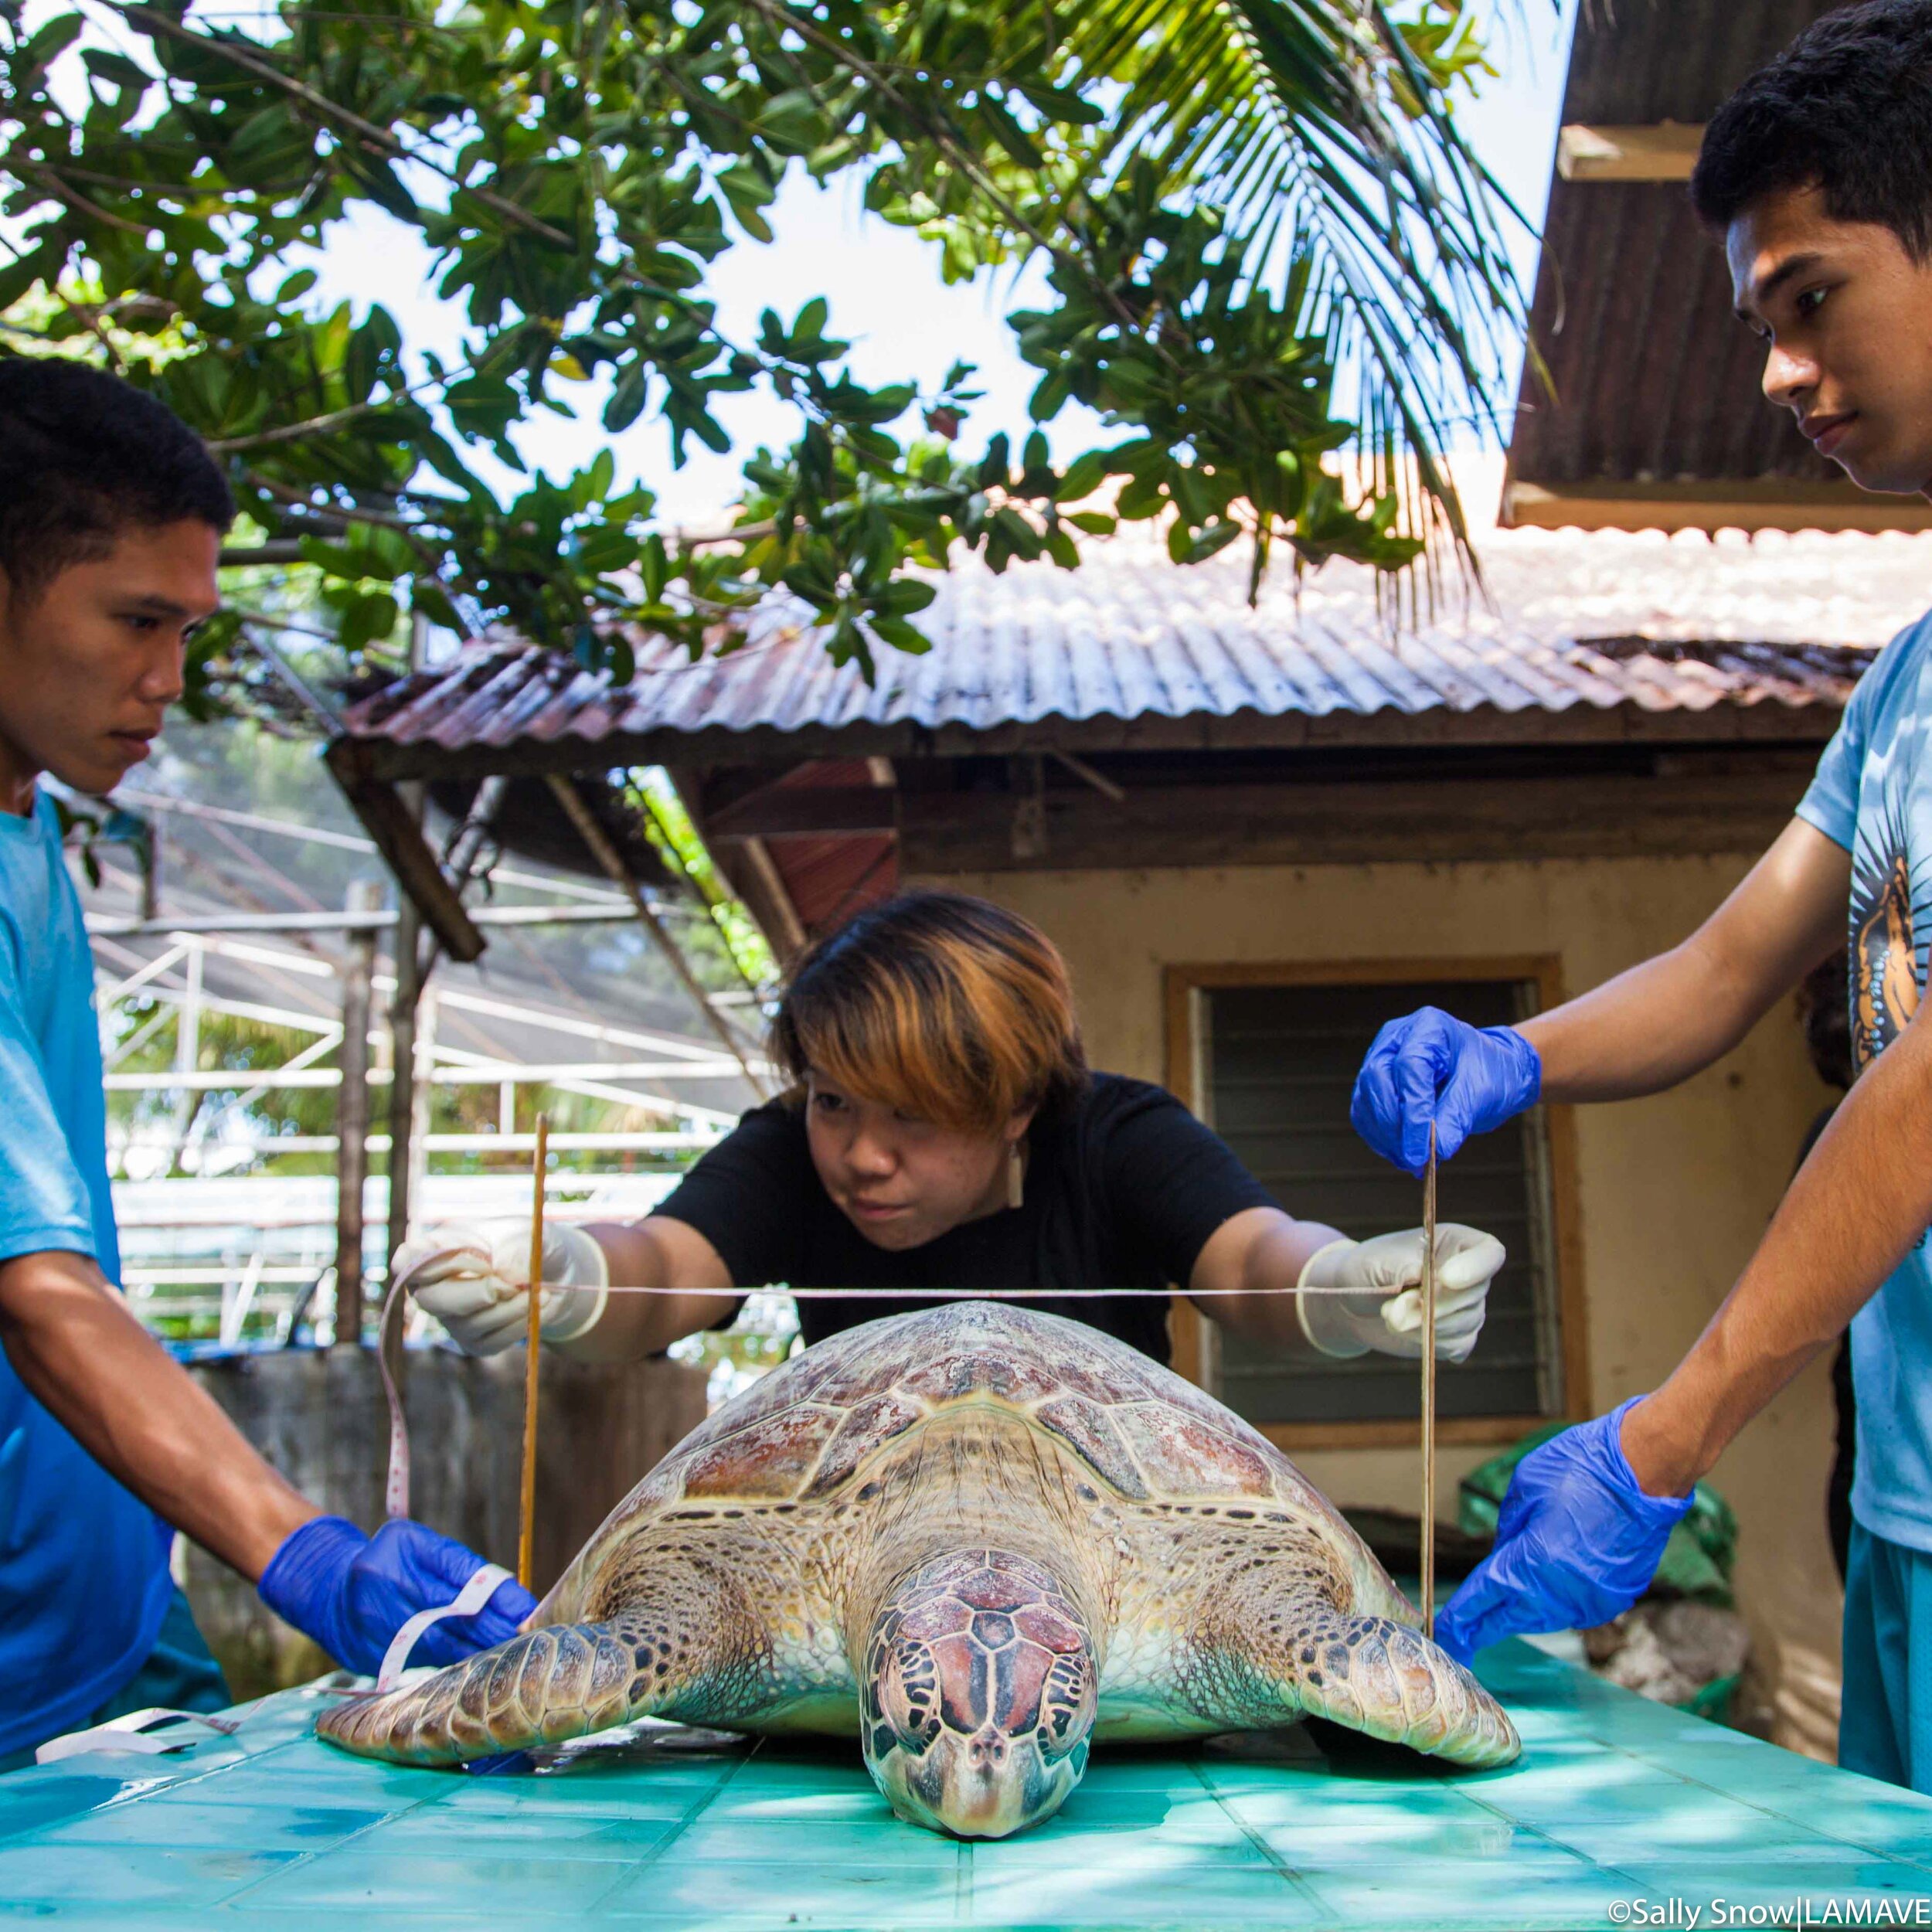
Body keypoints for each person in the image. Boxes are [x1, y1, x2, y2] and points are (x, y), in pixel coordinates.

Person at [1345, 0, 1932, 1793]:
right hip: (1907, 1507)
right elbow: (1729, 959)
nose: (1772, 371)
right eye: (1754, 323)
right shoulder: (1905, 677)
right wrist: (1509, 1054)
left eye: (1807, 296)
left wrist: (1669, 1426)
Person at [0, 358, 531, 1767]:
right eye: (135, 621)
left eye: (188, 629)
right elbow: (39, 1292)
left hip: (105, 1629)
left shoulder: (34, 846)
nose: (169, 680)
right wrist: (307, 1557)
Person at [397, 889, 1508, 1427]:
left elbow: (1254, 1261)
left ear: (1017, 1103)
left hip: (1115, 1541)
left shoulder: (1115, 1138)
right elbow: (669, 1268)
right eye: (833, 1101)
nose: (859, 1158)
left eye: (913, 1117)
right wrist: (560, 1276)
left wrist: (1350, 1287)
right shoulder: (790, 1154)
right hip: (871, 1540)